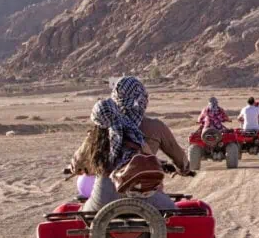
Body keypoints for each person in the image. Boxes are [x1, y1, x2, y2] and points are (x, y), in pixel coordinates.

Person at [72, 77, 180, 211]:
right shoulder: (137, 134)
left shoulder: (99, 129)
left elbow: (78, 164)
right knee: (174, 213)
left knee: (83, 217)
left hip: (103, 197)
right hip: (143, 195)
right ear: (142, 100)